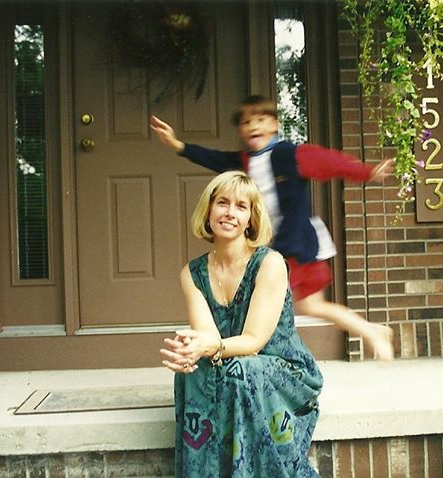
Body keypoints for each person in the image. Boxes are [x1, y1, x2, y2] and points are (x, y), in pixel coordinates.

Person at [151, 95, 395, 360]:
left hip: (297, 243)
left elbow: (330, 162)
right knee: (300, 304)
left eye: (260, 119)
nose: (253, 125)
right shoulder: (245, 160)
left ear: (274, 125)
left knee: (296, 303)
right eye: (246, 122)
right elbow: (214, 159)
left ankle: (367, 333)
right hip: (275, 245)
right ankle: (369, 331)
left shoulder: (290, 154)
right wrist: (178, 145)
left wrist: (367, 172)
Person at [160, 170, 323, 477]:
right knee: (192, 372)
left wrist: (213, 346)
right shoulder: (192, 273)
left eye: (241, 206)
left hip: (284, 370)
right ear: (208, 211)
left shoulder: (269, 263)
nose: (230, 213)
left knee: (241, 369)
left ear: (251, 218)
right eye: (222, 203)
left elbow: (253, 341)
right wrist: (189, 351)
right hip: (232, 365)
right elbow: (208, 338)